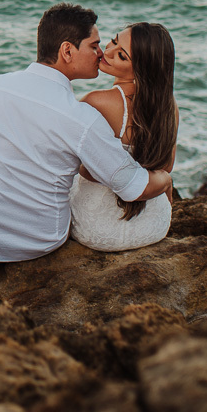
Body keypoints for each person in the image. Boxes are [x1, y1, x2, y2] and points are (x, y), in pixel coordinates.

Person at [0, 3, 173, 263]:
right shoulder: (82, 118)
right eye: (94, 45)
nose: (101, 53)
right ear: (67, 51)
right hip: (41, 243)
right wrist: (165, 179)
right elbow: (131, 187)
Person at [68, 23, 178, 251]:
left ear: (141, 69)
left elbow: (85, 170)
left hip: (96, 229)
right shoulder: (169, 107)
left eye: (121, 55)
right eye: (114, 41)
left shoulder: (96, 102)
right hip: (153, 226)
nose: (106, 52)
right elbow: (166, 167)